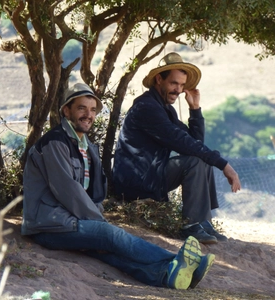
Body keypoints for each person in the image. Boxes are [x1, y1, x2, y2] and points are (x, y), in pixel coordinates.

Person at [21, 82, 215, 289]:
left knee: (107, 250)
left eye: (93, 110)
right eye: (81, 108)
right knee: (110, 235)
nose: (88, 114)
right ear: (66, 110)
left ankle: (166, 276)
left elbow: (94, 193)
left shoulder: (89, 148)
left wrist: (97, 219)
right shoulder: (55, 143)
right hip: (49, 226)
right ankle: (178, 261)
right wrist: (99, 222)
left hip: (73, 222)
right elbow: (68, 191)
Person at [112, 52, 242, 244]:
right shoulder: (147, 107)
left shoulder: (165, 108)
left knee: (200, 157)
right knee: (196, 160)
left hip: (152, 176)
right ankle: (192, 225)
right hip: (137, 181)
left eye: (182, 85)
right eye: (174, 83)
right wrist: (224, 165)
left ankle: (202, 222)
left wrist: (195, 109)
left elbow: (194, 143)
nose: (179, 90)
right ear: (159, 79)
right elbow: (183, 142)